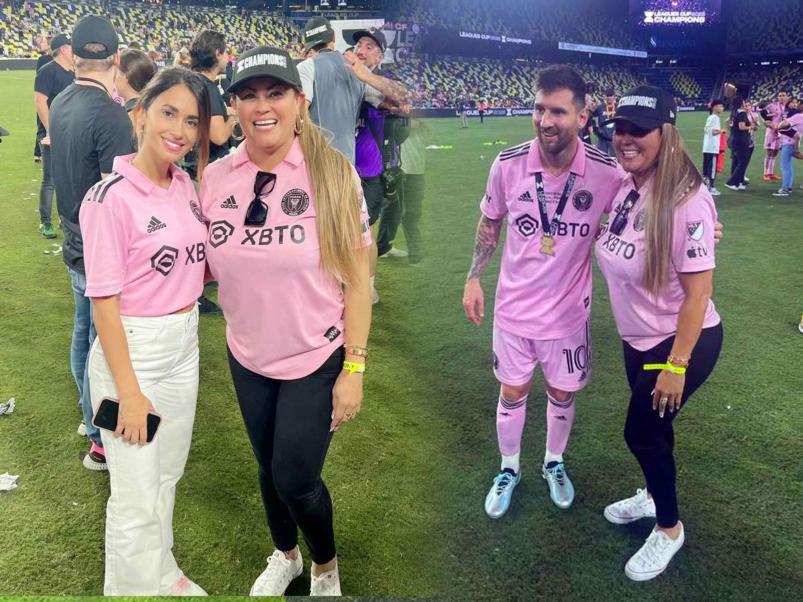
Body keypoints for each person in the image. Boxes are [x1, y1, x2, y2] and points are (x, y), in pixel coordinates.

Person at [199, 46, 372, 597]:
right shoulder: (217, 178)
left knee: (295, 476)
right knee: (267, 464)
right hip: (247, 352)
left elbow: (359, 283)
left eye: (276, 92)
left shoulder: (333, 174)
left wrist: (355, 368)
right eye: (248, 95)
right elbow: (201, 265)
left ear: (299, 101)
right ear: (234, 106)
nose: (262, 106)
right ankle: (287, 555)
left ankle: (325, 566)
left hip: (313, 356)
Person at [462, 65, 623, 518]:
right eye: (539, 109)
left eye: (558, 111)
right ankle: (509, 468)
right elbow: (491, 221)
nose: (545, 121)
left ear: (582, 115)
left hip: (569, 316)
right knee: (512, 392)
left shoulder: (606, 173)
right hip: (513, 311)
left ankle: (553, 462)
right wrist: (474, 276)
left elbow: (643, 204)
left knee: (562, 393)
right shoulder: (509, 164)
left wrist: (699, 216)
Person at [82, 66, 211, 596]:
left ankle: (161, 572)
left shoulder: (184, 184)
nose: (180, 130)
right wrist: (128, 392)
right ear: (140, 114)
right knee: (134, 492)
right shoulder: (110, 196)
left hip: (184, 344)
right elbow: (103, 304)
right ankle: (133, 589)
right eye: (168, 113)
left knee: (166, 475)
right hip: (131, 352)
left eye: (192, 120)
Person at [595, 85, 723, 581]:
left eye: (639, 130)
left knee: (641, 431)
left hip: (678, 341)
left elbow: (698, 295)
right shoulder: (630, 182)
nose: (626, 139)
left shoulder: (685, 201)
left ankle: (669, 528)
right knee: (655, 432)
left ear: (666, 135)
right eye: (620, 129)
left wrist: (677, 364)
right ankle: (652, 495)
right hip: (638, 338)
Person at [49, 14, 135, 471]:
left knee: (84, 335)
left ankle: (89, 420)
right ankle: (100, 437)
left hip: (74, 239)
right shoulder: (110, 114)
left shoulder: (63, 98)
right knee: (104, 347)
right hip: (99, 251)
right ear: (117, 58)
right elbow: (115, 198)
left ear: (75, 56)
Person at [296, 16, 408, 164]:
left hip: (324, 165)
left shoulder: (307, 67)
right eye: (359, 45)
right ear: (334, 37)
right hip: (349, 166)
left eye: (369, 47)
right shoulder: (355, 72)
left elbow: (297, 116)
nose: (360, 50)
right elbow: (399, 100)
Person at [33, 32, 74, 239]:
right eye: (71, 47)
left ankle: (64, 219)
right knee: (50, 179)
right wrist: (51, 130)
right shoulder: (47, 71)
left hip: (70, 133)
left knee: (68, 179)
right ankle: (45, 223)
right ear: (64, 50)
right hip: (52, 134)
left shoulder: (73, 72)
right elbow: (40, 101)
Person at [115, 47, 156, 124]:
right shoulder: (150, 106)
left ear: (126, 77)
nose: (113, 77)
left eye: (115, 72)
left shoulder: (132, 116)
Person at [773, 99, 803, 197]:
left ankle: (785, 189)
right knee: (788, 167)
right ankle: (788, 187)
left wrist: (778, 127)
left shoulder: (799, 116)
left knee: (785, 167)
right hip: (794, 143)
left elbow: (785, 124)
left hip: (788, 143)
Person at [725, 96, 753, 191]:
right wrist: (750, 127)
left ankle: (739, 182)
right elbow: (742, 127)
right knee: (743, 161)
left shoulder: (733, 112)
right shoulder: (742, 113)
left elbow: (728, 122)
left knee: (736, 160)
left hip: (735, 139)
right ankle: (732, 181)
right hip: (742, 140)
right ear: (741, 102)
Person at [761, 89, 789, 181]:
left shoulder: (787, 107)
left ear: (787, 97)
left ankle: (771, 173)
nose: (781, 97)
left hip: (781, 133)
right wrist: (766, 122)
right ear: (778, 97)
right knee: (769, 152)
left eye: (783, 95)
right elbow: (762, 113)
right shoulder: (772, 105)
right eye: (780, 95)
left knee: (775, 152)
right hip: (771, 132)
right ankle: (766, 173)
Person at [702, 99, 723, 196]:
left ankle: (705, 187)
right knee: (712, 169)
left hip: (706, 147)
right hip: (713, 147)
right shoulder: (715, 118)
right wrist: (722, 130)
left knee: (706, 168)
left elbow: (706, 130)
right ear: (715, 107)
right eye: (720, 106)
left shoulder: (710, 117)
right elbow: (714, 132)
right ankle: (711, 187)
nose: (722, 108)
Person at [594, 88, 616, 156]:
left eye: (611, 95)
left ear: (614, 96)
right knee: (600, 158)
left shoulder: (618, 107)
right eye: (607, 95)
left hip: (614, 138)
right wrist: (596, 129)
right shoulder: (600, 107)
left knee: (615, 160)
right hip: (602, 139)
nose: (609, 97)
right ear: (605, 96)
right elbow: (592, 116)